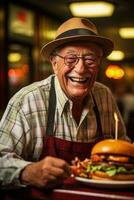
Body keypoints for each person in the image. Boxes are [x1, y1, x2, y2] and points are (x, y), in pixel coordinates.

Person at [0, 17, 129, 199]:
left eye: (90, 59)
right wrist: (27, 171)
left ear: (99, 63)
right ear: (54, 63)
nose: (81, 68)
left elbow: (122, 148)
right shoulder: (28, 101)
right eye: (71, 58)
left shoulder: (104, 96)